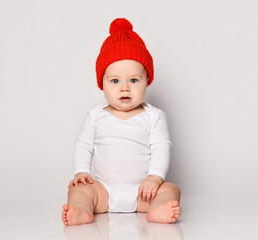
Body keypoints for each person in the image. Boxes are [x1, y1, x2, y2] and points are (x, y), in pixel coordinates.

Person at [62, 18, 181, 226]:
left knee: (171, 190)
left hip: (143, 192)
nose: (124, 88)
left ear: (147, 81)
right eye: (115, 81)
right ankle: (81, 210)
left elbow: (161, 147)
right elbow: (84, 144)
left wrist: (154, 178)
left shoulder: (154, 116)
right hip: (104, 191)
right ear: (102, 83)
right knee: (78, 191)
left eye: (133, 80)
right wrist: (81, 172)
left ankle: (157, 207)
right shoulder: (95, 115)